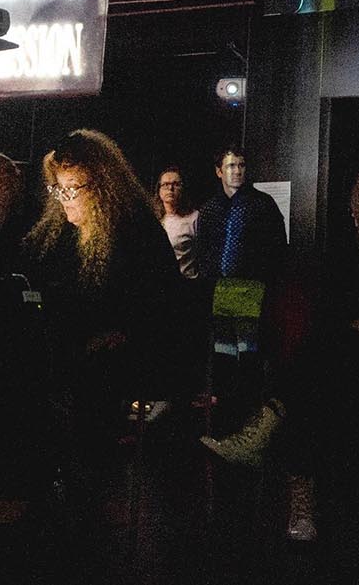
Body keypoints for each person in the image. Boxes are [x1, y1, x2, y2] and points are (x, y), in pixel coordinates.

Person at [202, 154, 359, 542]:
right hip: (338, 365)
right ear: (350, 200)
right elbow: (329, 317)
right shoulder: (334, 252)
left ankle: (282, 454)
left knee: (313, 362)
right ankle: (302, 492)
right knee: (318, 371)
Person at [20, 131, 192, 448]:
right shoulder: (61, 229)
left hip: (126, 356)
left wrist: (118, 333)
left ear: (102, 186)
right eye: (58, 189)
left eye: (72, 189)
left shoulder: (135, 229)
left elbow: (157, 306)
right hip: (76, 346)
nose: (63, 198)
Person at [195, 145, 287, 283]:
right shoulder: (209, 209)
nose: (237, 171)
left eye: (241, 165)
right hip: (216, 285)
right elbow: (202, 251)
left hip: (254, 285)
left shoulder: (263, 204)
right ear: (219, 172)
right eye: (231, 166)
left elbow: (278, 248)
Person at [154, 166, 202, 280]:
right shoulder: (154, 219)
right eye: (165, 184)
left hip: (186, 282)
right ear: (159, 190)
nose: (170, 188)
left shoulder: (194, 218)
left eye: (176, 184)